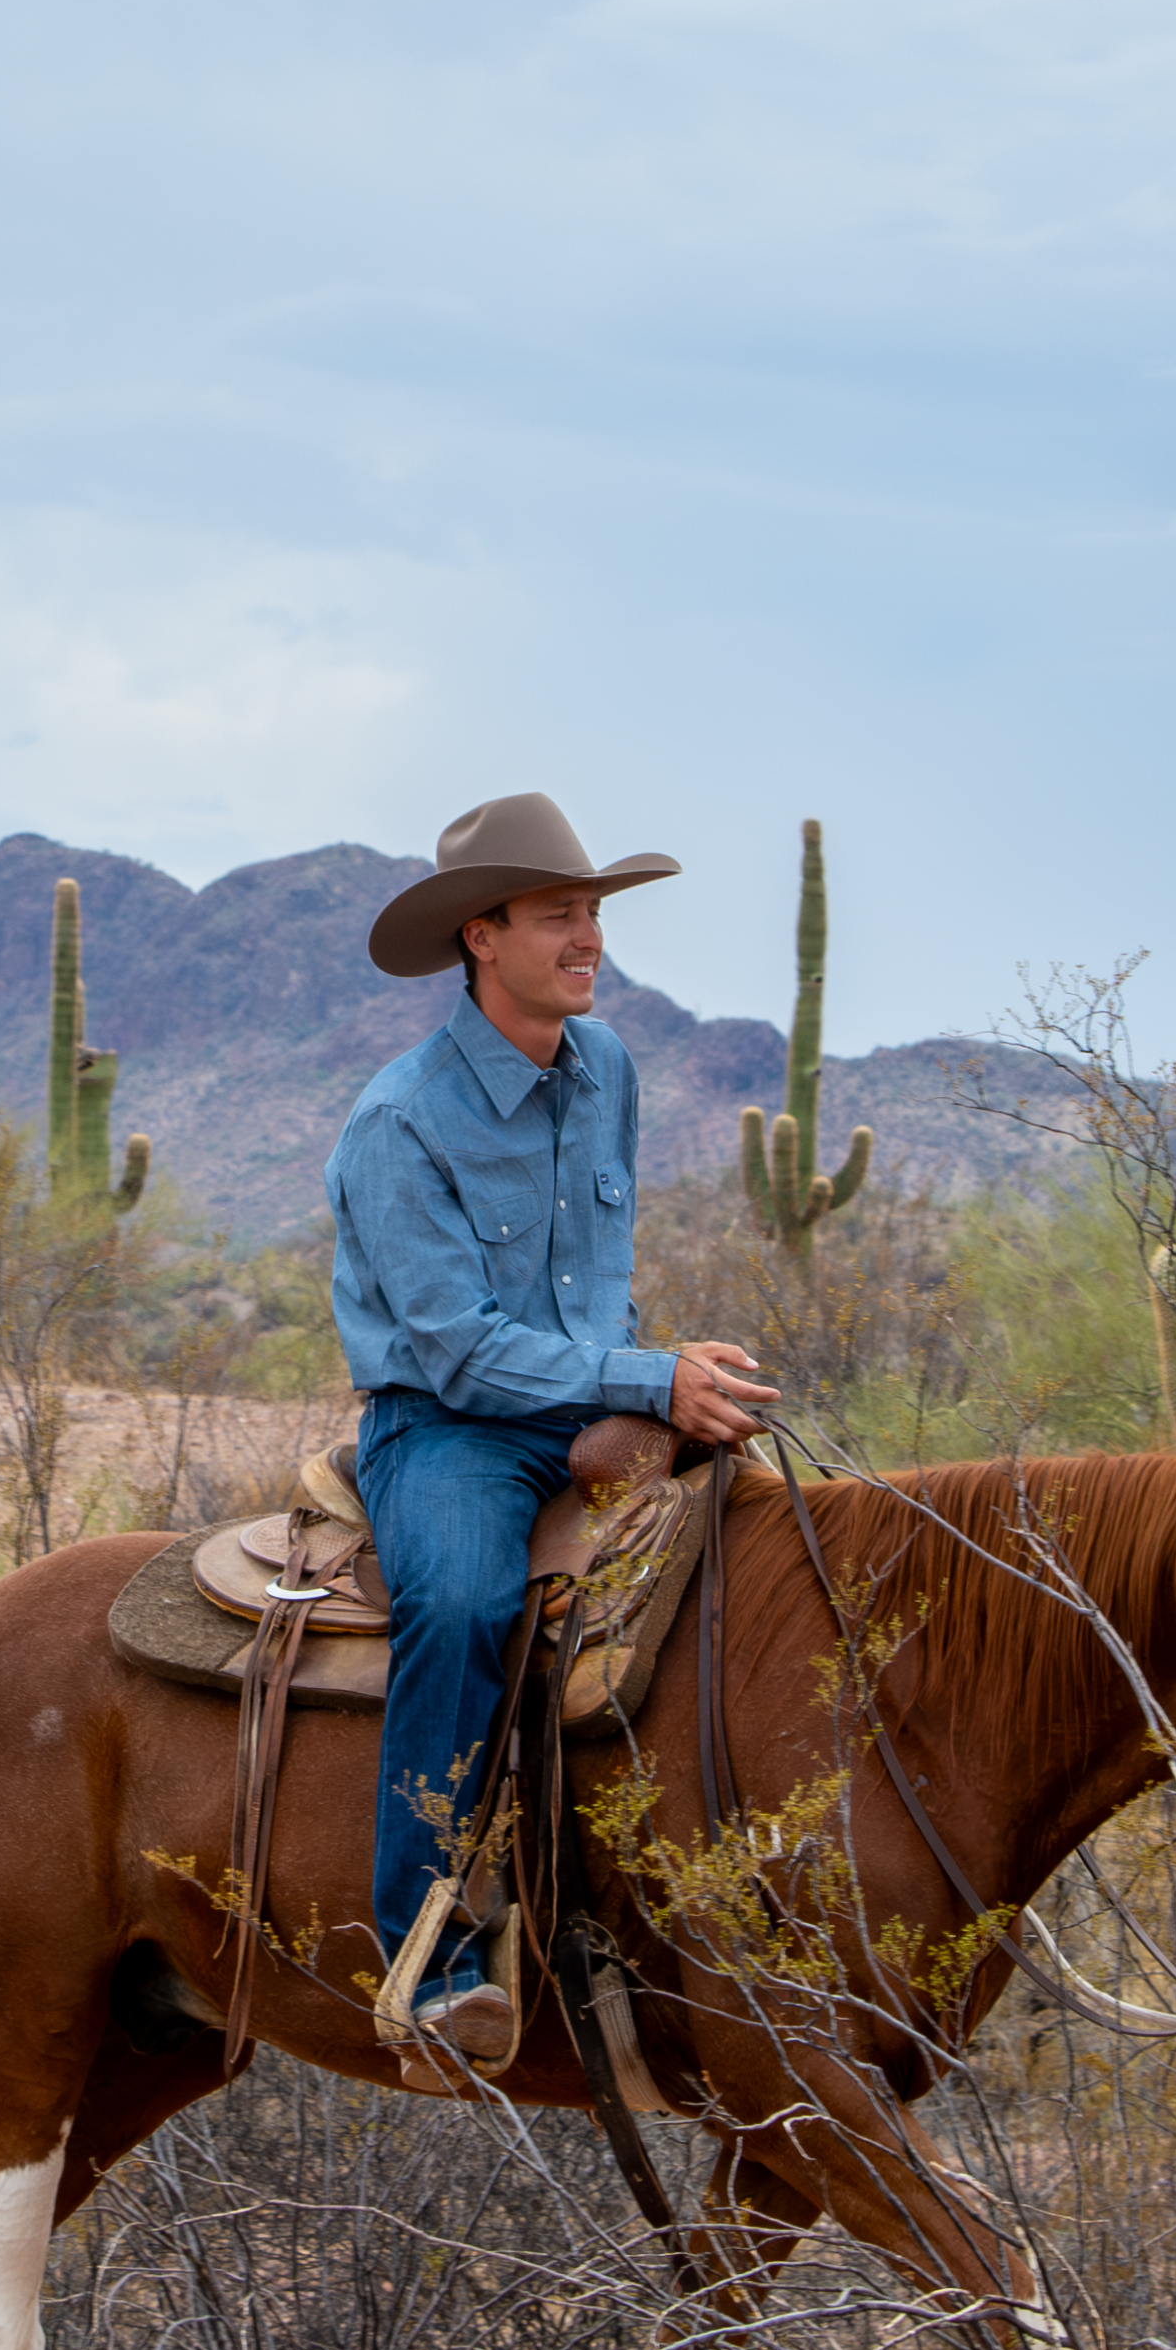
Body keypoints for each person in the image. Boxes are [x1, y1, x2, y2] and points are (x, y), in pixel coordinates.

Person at [323, 795, 782, 2070]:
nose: (588, 936)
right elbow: (459, 1346)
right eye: (558, 914)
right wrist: (646, 1377)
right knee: (467, 1603)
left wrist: (657, 1390)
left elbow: (596, 1284)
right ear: (482, 934)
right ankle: (426, 1957)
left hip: (592, 1401)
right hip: (451, 1428)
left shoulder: (609, 1067)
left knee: (776, 1552)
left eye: (592, 911)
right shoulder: (400, 1120)